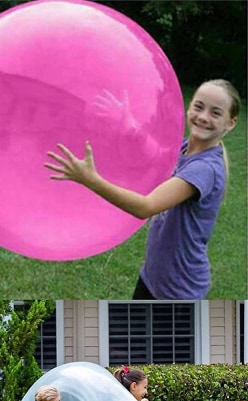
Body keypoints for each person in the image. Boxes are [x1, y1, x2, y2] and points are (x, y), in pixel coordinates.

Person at [45, 79, 241, 300]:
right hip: (153, 276)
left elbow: (146, 207)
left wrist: (91, 180)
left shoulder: (205, 169)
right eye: (198, 106)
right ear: (189, 107)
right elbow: (158, 155)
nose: (203, 117)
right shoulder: (187, 147)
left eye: (215, 113)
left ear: (230, 123)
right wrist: (128, 124)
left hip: (179, 289)